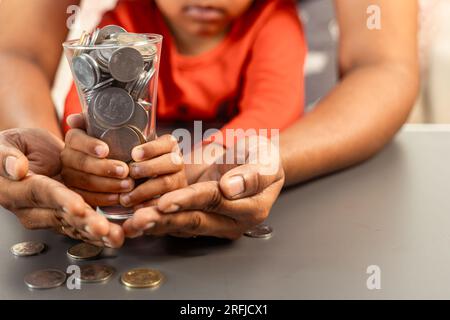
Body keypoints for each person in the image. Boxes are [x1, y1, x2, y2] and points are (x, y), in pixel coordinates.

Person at [0, 0, 419, 241]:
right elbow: (86, 118)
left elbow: (268, 115)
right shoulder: (123, 23)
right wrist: (77, 162)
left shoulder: (275, 22)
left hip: (214, 164)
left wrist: (212, 160)